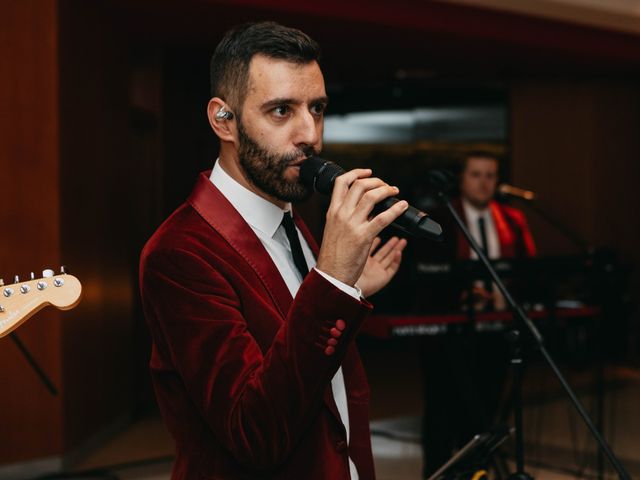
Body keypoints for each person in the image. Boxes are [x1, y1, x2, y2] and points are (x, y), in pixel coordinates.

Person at [139, 21, 408, 480]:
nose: (311, 135)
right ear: (223, 119)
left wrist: (346, 284)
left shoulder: (290, 220)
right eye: (281, 110)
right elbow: (253, 432)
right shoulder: (179, 253)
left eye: (317, 108)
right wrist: (331, 282)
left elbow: (306, 364)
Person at [419, 152, 536, 478]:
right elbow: (426, 278)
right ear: (462, 179)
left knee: (485, 416)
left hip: (496, 334)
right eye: (476, 175)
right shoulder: (440, 217)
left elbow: (529, 275)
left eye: (490, 175)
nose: (484, 183)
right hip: (449, 336)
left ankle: (478, 473)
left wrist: (506, 297)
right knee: (442, 417)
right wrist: (463, 294)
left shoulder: (512, 219)